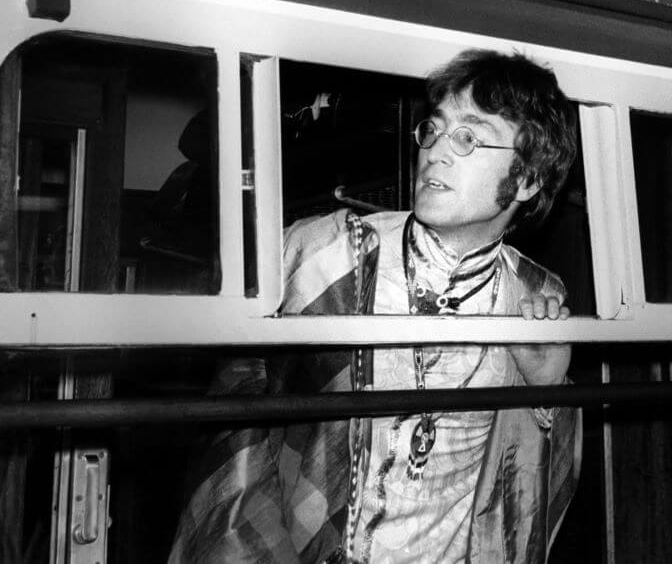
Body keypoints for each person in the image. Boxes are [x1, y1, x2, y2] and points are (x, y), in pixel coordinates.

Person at [170, 49, 581, 563]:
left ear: (527, 180)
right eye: (432, 130)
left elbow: (529, 496)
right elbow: (234, 418)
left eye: (468, 137)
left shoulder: (538, 294)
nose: (435, 151)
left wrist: (549, 392)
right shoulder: (321, 252)